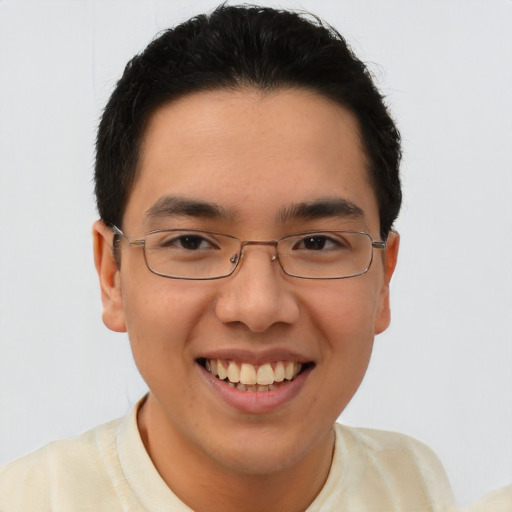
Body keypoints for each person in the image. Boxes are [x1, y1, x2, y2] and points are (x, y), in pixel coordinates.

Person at [0, 4, 461, 511]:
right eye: (192, 242)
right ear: (112, 276)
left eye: (316, 243)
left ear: (383, 278)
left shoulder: (417, 486)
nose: (258, 307)